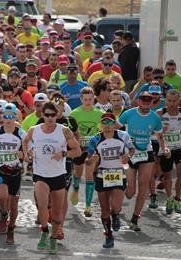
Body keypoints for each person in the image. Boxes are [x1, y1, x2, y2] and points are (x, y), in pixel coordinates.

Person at [23, 101, 81, 255]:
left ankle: (54, 238)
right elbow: (25, 141)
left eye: (53, 115)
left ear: (57, 115)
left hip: (58, 175)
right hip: (40, 174)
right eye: (47, 115)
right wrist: (28, 154)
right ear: (42, 115)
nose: (50, 118)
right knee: (42, 205)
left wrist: (63, 154)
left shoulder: (64, 131)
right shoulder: (34, 130)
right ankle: (43, 231)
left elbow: (77, 151)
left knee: (57, 212)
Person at [117, 91, 166, 231]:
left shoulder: (155, 118)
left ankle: (134, 219)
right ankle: (122, 192)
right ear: (138, 101)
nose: (145, 101)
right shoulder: (128, 113)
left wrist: (165, 149)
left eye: (148, 99)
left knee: (143, 186)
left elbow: (160, 136)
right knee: (131, 191)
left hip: (146, 154)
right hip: (130, 154)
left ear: (152, 102)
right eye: (143, 99)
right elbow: (115, 128)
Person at [87, 112, 133, 248]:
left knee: (116, 206)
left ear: (114, 124)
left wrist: (128, 157)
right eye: (104, 123)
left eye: (110, 123)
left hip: (119, 175)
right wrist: (92, 160)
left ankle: (116, 215)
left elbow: (131, 149)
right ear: (100, 125)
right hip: (102, 176)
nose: (107, 126)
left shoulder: (123, 136)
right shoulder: (94, 140)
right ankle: (108, 236)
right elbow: (88, 161)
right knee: (104, 209)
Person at [0, 103, 25, 244]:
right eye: (6, 116)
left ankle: (11, 229)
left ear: (15, 117)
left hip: (15, 171)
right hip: (0, 170)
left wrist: (23, 154)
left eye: (11, 116)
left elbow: (28, 152)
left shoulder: (21, 133)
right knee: (3, 196)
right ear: (2, 117)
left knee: (14, 206)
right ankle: (3, 215)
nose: (8, 119)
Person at [69, 87, 104, 217]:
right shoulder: (74, 114)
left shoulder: (99, 113)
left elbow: (102, 131)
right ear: (81, 99)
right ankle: (76, 189)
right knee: (78, 174)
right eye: (85, 100)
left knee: (89, 175)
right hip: (79, 148)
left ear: (93, 98)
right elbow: (71, 133)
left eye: (90, 99)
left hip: (91, 149)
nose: (88, 102)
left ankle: (88, 206)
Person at [157, 89, 181, 214]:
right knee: (167, 175)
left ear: (179, 100)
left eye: (175, 101)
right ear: (166, 100)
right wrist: (161, 131)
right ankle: (170, 198)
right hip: (166, 148)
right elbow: (153, 131)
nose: (172, 103)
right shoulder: (160, 113)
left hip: (180, 147)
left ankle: (178, 199)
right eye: (169, 100)